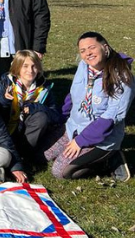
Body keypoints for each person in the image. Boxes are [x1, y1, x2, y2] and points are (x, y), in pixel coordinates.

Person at [45, 32, 134, 181]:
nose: (88, 54)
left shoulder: (123, 78)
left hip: (101, 138)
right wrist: (62, 120)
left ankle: (109, 159)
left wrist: (80, 141)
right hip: (74, 127)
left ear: (105, 48)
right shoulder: (83, 66)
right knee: (42, 155)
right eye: (83, 51)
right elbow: (73, 95)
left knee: (60, 172)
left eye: (92, 48)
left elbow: (110, 119)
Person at [0, 50, 62, 154]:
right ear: (17, 67)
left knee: (41, 117)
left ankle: (25, 153)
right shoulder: (5, 84)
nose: (30, 70)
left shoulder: (44, 88)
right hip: (6, 131)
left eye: (34, 66)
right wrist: (5, 100)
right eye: (25, 66)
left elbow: (55, 116)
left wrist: (35, 107)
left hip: (29, 133)